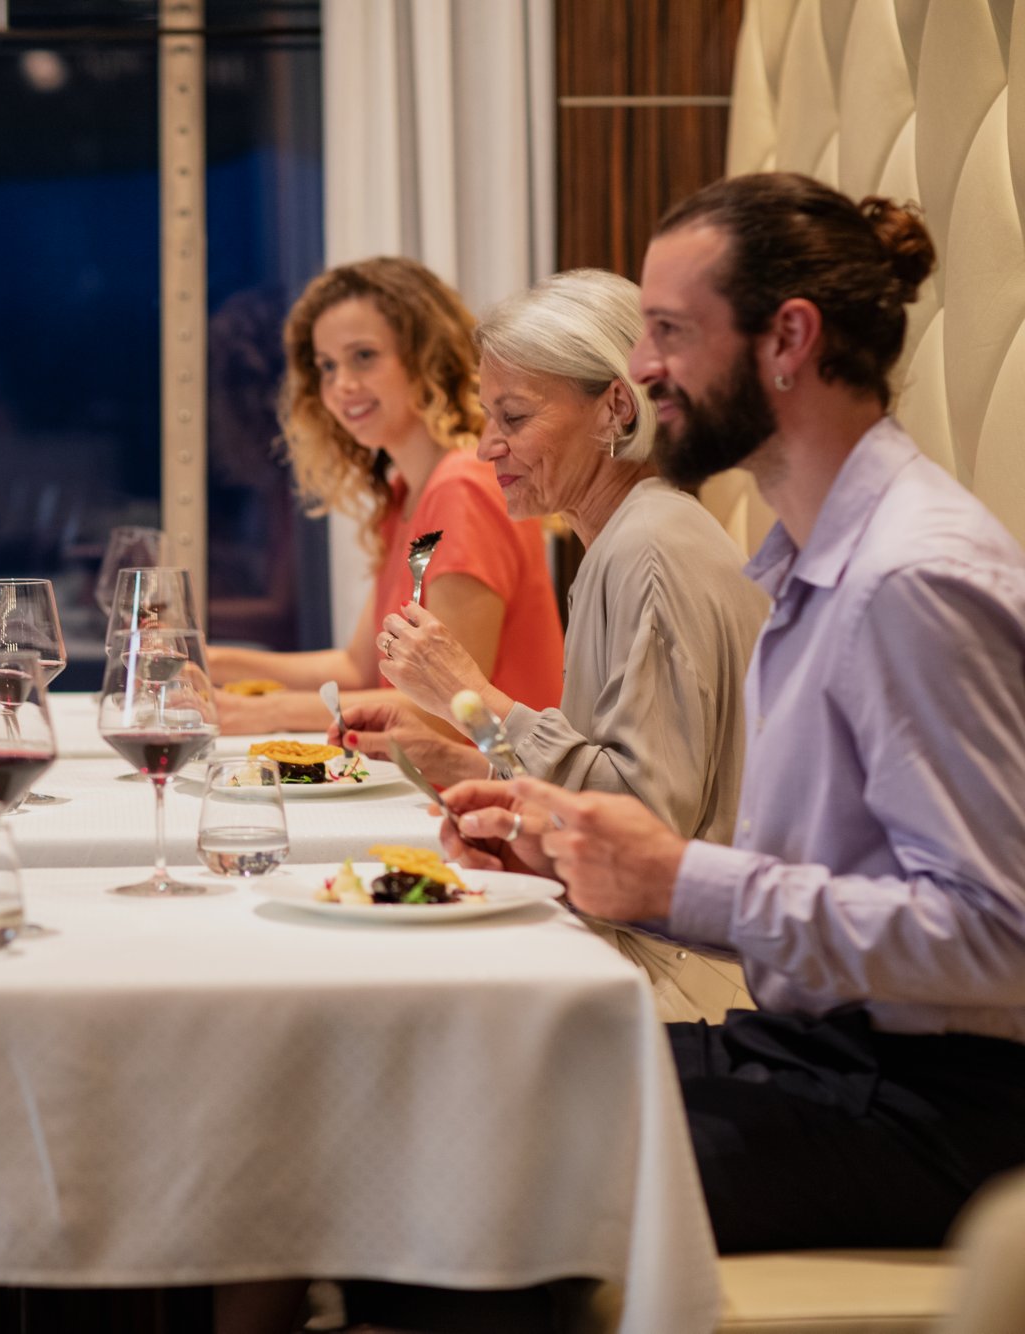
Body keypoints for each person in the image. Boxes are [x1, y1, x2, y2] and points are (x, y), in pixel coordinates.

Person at [439, 174, 1025, 1251]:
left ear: (786, 341)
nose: (642, 367)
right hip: (818, 1052)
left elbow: (998, 937)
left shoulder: (908, 578)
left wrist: (677, 877)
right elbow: (793, 888)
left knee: (471, 1169)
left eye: (665, 330)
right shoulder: (808, 564)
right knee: (451, 1082)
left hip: (938, 1105)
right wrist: (584, 856)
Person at [340, 269, 770, 1023]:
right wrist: (467, 757)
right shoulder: (623, 537)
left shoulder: (652, 548)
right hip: (647, 938)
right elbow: (609, 777)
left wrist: (472, 699)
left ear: (614, 406)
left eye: (513, 417)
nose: (486, 446)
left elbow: (642, 827)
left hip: (686, 975)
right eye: (487, 416)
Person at [207, 257, 563, 733]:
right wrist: (209, 659)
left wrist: (259, 713)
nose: (342, 385)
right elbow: (356, 669)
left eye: (364, 357)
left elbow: (454, 710)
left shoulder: (465, 487)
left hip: (497, 786)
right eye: (327, 367)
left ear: (425, 357)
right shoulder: (406, 492)